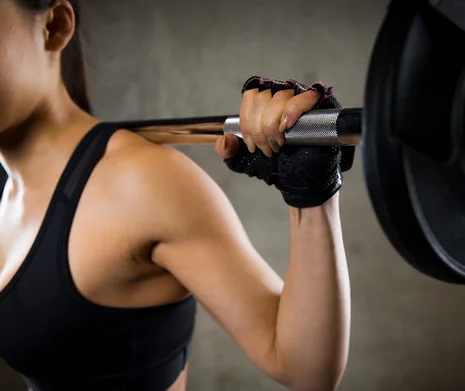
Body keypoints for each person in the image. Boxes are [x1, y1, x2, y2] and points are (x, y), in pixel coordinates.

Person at [0, 1, 353, 390]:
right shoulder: (6, 188)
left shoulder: (139, 182)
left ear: (55, 25)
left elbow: (305, 368)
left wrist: (311, 195)